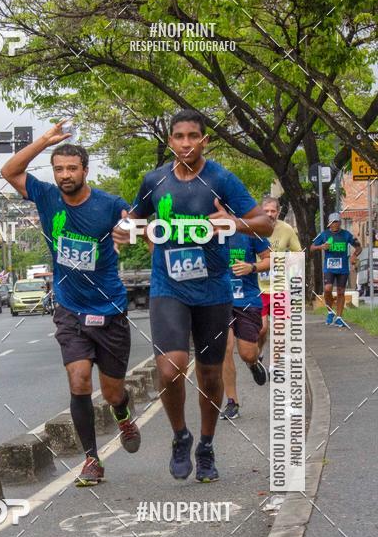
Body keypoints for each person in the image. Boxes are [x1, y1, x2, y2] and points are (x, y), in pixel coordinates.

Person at [113, 109, 272, 482]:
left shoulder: (221, 180)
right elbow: (132, 219)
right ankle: (180, 436)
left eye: (193, 136)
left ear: (205, 140)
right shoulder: (155, 181)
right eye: (179, 136)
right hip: (168, 286)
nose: (186, 143)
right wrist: (124, 229)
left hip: (213, 290)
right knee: (169, 369)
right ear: (170, 141)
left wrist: (234, 223)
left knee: (211, 374)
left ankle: (205, 444)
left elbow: (263, 222)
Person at [1, 121, 141, 487]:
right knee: (79, 381)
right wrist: (44, 140)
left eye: (71, 169)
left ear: (85, 171)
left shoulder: (108, 204)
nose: (65, 175)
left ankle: (123, 413)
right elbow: (9, 171)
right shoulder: (46, 196)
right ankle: (92, 460)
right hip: (69, 307)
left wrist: (128, 232)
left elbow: (136, 226)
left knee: (111, 391)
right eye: (59, 169)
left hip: (109, 309)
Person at [220, 232, 271, 420]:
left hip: (247, 299)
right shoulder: (206, 227)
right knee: (225, 347)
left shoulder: (249, 229)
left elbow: (269, 258)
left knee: (247, 353)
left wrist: (252, 267)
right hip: (219, 300)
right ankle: (232, 402)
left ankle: (253, 363)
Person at [257, 195, 302, 359]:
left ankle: (275, 365)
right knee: (262, 329)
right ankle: (260, 351)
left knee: (280, 329)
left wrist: (286, 261)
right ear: (261, 211)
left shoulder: (286, 229)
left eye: (273, 211)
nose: (269, 214)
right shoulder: (254, 230)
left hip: (280, 286)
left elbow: (299, 253)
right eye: (266, 210)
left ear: (278, 212)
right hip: (258, 288)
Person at [311, 211, 361, 328]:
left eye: (337, 222)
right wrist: (321, 247)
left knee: (340, 292)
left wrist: (354, 256)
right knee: (327, 289)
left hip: (343, 268)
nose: (334, 225)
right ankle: (330, 311)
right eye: (332, 223)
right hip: (329, 267)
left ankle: (339, 317)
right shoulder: (324, 235)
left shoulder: (346, 234)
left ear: (340, 223)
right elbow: (312, 247)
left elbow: (358, 247)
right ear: (329, 224)